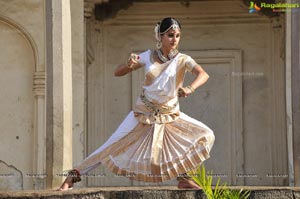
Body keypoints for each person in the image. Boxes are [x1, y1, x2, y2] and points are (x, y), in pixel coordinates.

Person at [58, 17, 215, 191]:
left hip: (170, 114)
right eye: (170, 35)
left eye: (178, 35)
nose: (174, 39)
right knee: (111, 145)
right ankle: (72, 176)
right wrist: (128, 65)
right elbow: (118, 72)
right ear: (160, 36)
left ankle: (184, 177)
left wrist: (190, 88)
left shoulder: (183, 60)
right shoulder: (146, 56)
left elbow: (203, 74)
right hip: (142, 114)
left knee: (205, 135)